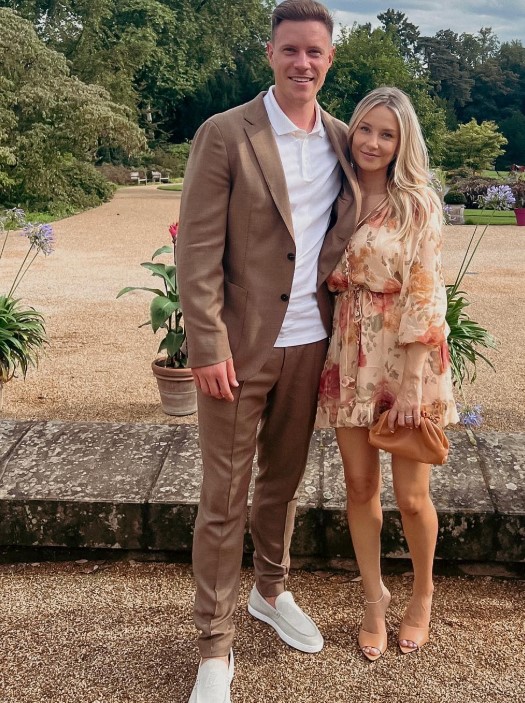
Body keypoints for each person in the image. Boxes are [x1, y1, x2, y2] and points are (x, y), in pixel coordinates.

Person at [176, 2, 359, 700]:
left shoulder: (344, 140)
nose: (301, 63)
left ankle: (270, 591)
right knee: (223, 498)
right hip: (238, 349)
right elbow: (196, 249)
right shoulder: (226, 133)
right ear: (270, 54)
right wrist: (206, 343)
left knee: (282, 484)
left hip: (311, 344)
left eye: (314, 52)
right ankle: (214, 646)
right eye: (290, 50)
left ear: (329, 59)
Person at [316, 86, 458, 661]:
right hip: (350, 351)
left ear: (403, 143)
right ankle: (373, 600)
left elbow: (426, 290)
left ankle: (422, 594)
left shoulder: (417, 203)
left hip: (406, 357)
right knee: (359, 486)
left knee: (413, 496)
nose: (372, 142)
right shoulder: (336, 193)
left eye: (387, 133)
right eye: (366, 129)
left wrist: (413, 382)